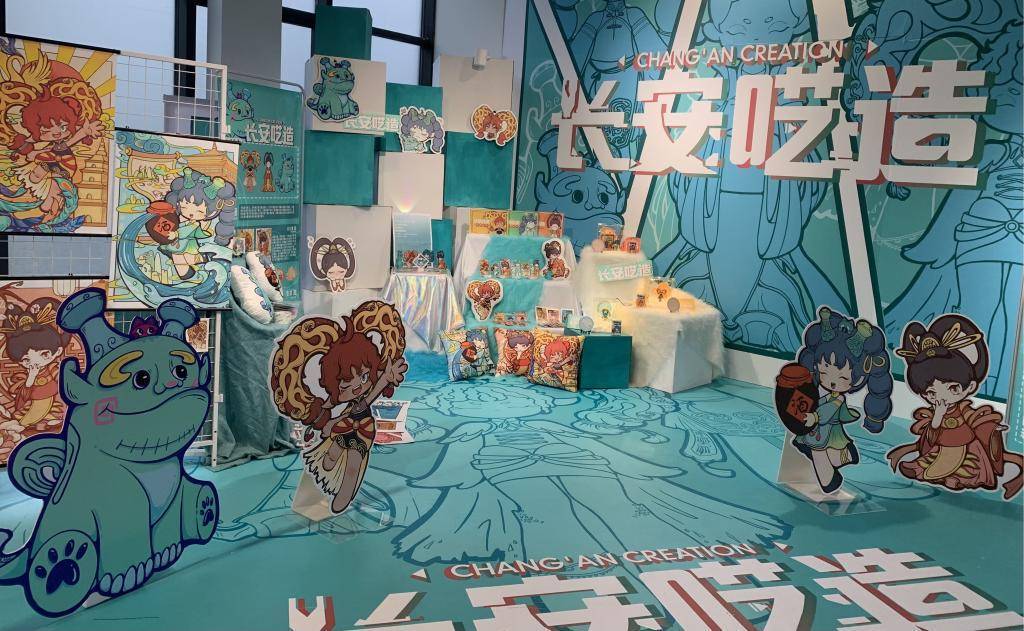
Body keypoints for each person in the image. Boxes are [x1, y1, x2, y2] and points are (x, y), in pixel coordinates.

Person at [888, 314, 1023, 499]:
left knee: (969, 466)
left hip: (968, 446)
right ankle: (925, 469)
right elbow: (930, 437)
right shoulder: (935, 412)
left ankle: (958, 477)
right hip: (941, 446)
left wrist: (989, 427)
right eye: (931, 393)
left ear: (971, 387)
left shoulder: (965, 410)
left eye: (952, 388)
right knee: (931, 458)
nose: (940, 397)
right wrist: (938, 415)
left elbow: (976, 421)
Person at [791, 307, 893, 493]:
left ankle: (829, 482)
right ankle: (845, 455)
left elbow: (828, 411)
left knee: (817, 451)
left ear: (858, 380)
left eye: (842, 378)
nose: (831, 381)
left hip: (824, 428)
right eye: (824, 372)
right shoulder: (817, 386)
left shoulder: (837, 398)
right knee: (816, 449)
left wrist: (815, 417)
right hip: (818, 430)